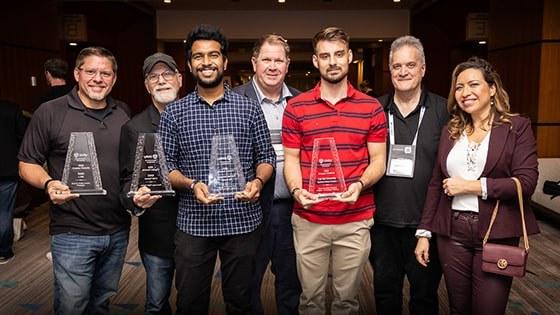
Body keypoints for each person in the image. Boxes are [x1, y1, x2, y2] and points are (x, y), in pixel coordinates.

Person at [158, 24, 275, 314]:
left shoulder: (248, 108)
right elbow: (165, 167)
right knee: (190, 302)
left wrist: (258, 182)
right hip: (194, 223)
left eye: (213, 55)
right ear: (189, 64)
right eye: (198, 57)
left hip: (242, 221)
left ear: (224, 62)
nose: (206, 62)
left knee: (241, 301)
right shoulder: (174, 112)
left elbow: (267, 157)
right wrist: (191, 183)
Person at [414, 56, 540, 315]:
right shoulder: (452, 130)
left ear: (492, 88)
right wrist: (424, 233)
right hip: (452, 233)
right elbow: (436, 184)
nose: (464, 93)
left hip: (496, 232)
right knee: (458, 308)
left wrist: (473, 187)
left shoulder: (516, 127)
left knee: (488, 310)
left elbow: (526, 183)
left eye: (473, 84)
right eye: (459, 87)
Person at [18, 46, 131, 315]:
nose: (98, 78)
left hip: (117, 229)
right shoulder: (51, 112)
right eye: (90, 71)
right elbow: (26, 163)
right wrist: (48, 183)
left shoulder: (123, 112)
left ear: (114, 78)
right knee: (72, 306)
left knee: (101, 303)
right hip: (72, 231)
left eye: (105, 73)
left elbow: (129, 166)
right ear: (77, 74)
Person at [282, 26, 387, 314]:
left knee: (347, 302)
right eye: (325, 55)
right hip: (308, 218)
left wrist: (360, 184)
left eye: (339, 54)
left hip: (355, 220)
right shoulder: (295, 107)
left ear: (350, 57)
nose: (332, 61)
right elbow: (291, 159)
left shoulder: (371, 107)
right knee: (310, 301)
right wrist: (296, 190)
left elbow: (379, 160)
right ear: (315, 61)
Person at [370, 35, 446, 315]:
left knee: (424, 297)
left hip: (425, 225)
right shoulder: (374, 109)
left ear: (423, 69)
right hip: (381, 223)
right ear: (390, 71)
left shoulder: (444, 110)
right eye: (397, 66)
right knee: (385, 294)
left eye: (410, 65)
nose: (403, 72)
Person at [232, 34, 302, 315]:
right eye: (266, 60)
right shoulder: (233, 100)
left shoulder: (301, 102)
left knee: (291, 284)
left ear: (287, 65)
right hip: (248, 211)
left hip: (292, 210)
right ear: (254, 63)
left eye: (278, 60)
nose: (272, 66)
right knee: (246, 285)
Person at [119, 52, 182, 314]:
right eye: (154, 76)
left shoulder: (198, 115)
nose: (161, 80)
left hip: (199, 227)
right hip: (158, 230)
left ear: (179, 79)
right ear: (147, 85)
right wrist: (134, 197)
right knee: (156, 303)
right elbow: (126, 179)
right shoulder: (134, 127)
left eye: (167, 74)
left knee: (194, 301)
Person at [0, 100, 27, 264]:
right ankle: (3, 251)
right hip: (8, 168)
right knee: (4, 210)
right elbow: (23, 137)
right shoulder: (12, 108)